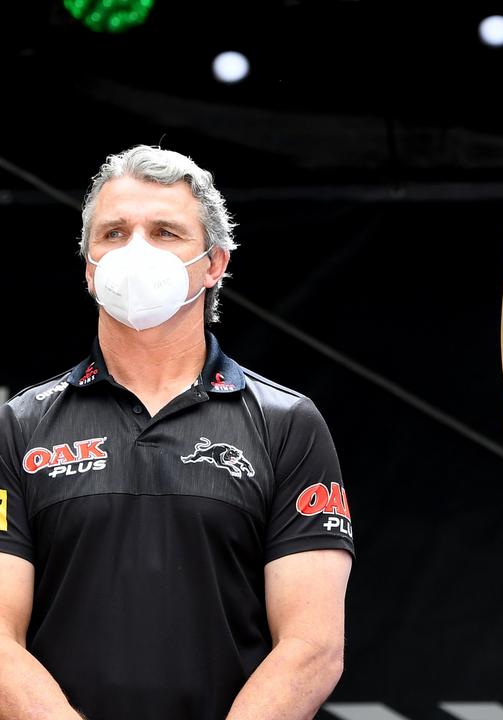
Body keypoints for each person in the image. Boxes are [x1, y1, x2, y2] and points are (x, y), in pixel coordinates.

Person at [0, 146, 354, 719]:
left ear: (215, 263)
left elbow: (313, 648)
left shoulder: (286, 423)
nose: (135, 250)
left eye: (165, 231)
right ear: (90, 266)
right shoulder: (19, 425)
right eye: (115, 233)